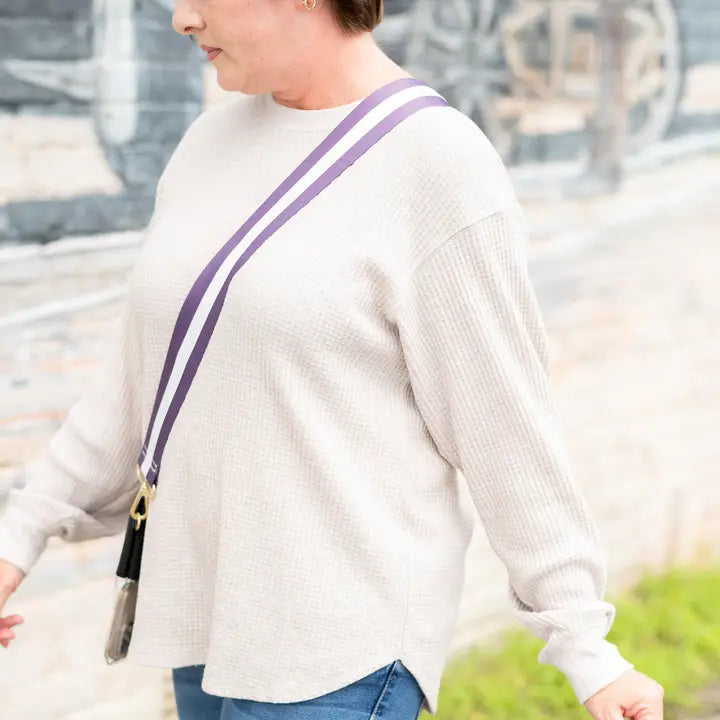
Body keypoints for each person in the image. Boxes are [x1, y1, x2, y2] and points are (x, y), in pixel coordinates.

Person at [0, 1, 665, 719]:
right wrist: (15, 538)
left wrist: (585, 647)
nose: (181, 18)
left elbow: (505, 429)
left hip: (338, 657)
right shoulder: (207, 144)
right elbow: (137, 386)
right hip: (208, 625)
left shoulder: (438, 164)